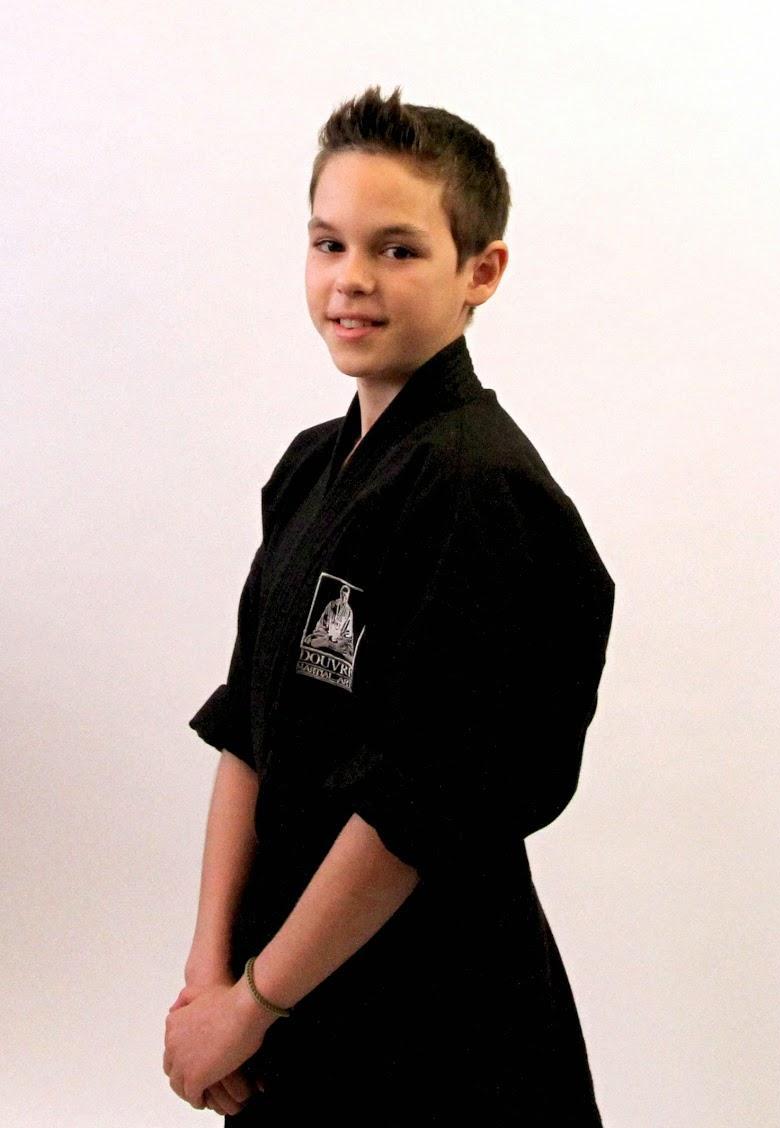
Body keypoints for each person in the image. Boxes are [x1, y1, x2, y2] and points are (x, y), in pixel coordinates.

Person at [163, 84, 615, 1124]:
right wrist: (208, 976)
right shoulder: (308, 470)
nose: (351, 279)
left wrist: (250, 1006)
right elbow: (249, 730)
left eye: (397, 249)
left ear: (480, 271)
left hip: (438, 1028)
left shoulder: (481, 495)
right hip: (290, 998)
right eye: (328, 243)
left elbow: (417, 809)